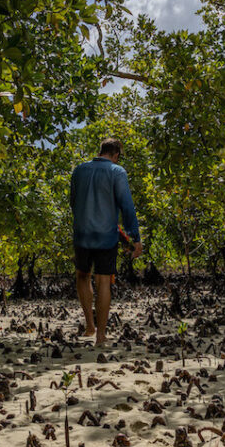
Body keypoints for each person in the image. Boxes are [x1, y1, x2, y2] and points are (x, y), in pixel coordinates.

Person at [70, 137, 143, 345]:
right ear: (116, 155)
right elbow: (127, 206)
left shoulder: (79, 170)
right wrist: (134, 238)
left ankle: (89, 326)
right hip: (106, 235)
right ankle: (101, 335)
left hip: (82, 233)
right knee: (103, 281)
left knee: (82, 276)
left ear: (100, 150)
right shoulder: (117, 171)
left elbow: (73, 202)